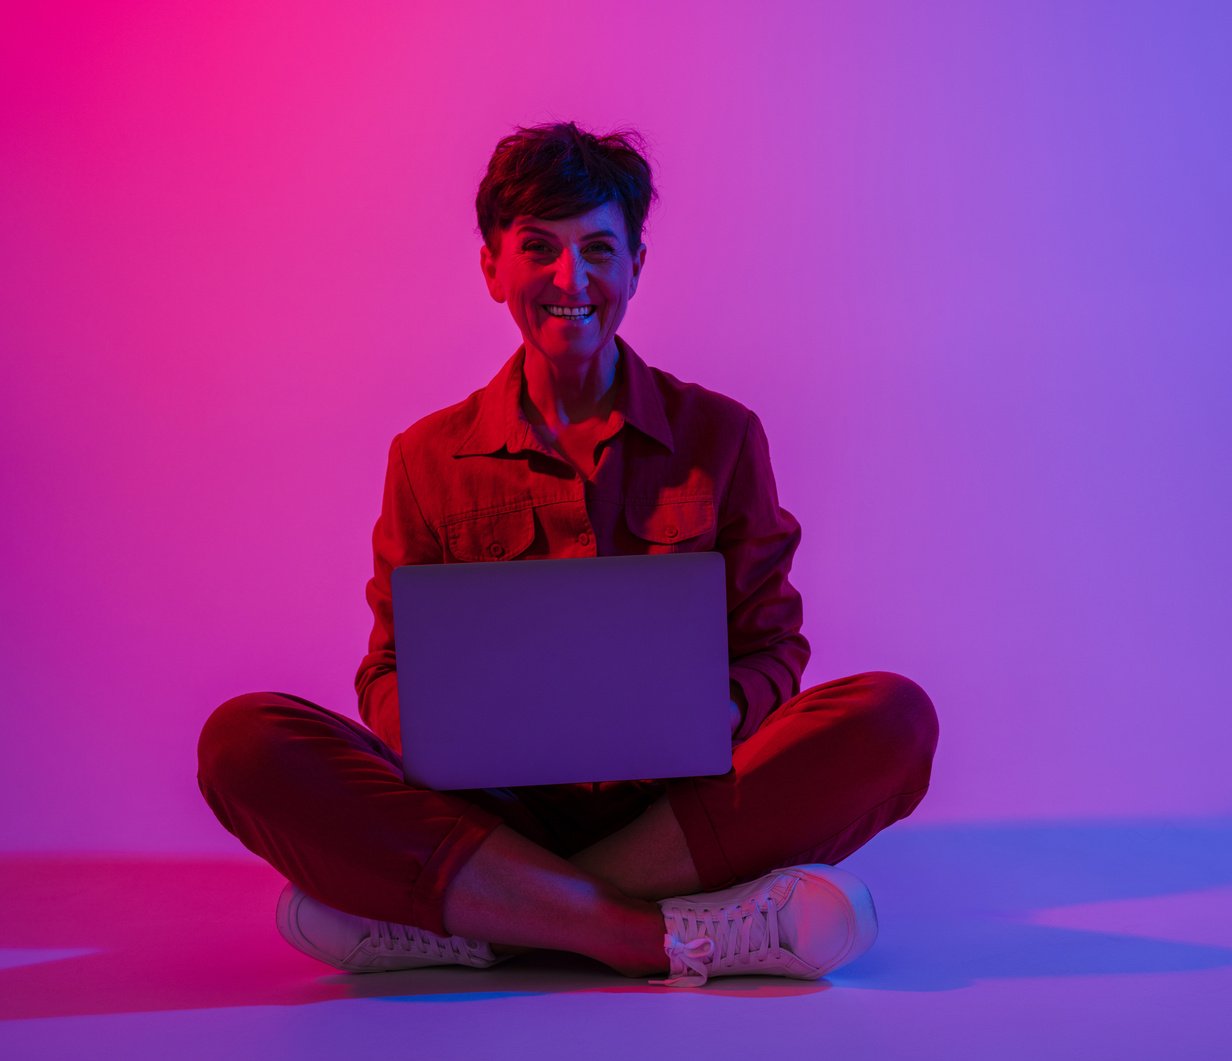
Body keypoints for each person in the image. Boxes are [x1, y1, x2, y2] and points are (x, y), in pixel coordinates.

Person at [196, 121, 939, 988]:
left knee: (894, 717)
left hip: (678, 804)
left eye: (597, 249)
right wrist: (437, 740)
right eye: (538, 248)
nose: (569, 279)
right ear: (491, 268)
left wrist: (714, 712)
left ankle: (492, 919)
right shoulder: (427, 456)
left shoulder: (722, 435)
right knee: (244, 742)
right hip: (489, 813)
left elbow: (774, 649)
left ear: (634, 267)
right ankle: (651, 931)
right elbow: (386, 670)